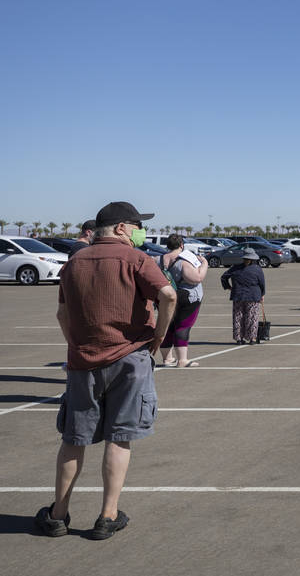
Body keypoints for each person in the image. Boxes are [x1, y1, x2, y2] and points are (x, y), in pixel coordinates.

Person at [35, 201, 176, 541]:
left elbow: (62, 314)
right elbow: (168, 295)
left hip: (83, 363)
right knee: (120, 437)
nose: (139, 231)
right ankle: (107, 516)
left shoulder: (74, 262)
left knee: (74, 438)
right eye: (135, 225)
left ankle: (58, 514)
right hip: (130, 358)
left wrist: (76, 344)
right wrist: (159, 335)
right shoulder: (135, 259)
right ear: (120, 228)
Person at [158, 233, 207, 367]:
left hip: (165, 296)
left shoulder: (159, 259)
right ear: (181, 245)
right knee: (183, 326)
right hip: (187, 297)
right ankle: (182, 360)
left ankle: (167, 359)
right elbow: (197, 278)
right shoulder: (184, 261)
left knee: (167, 326)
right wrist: (204, 264)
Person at [221, 250, 267, 345]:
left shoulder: (235, 268)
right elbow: (262, 283)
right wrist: (262, 294)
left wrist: (228, 287)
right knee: (252, 317)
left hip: (238, 296)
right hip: (253, 296)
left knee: (238, 317)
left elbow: (223, 277)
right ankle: (252, 339)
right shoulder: (257, 269)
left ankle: (239, 338)